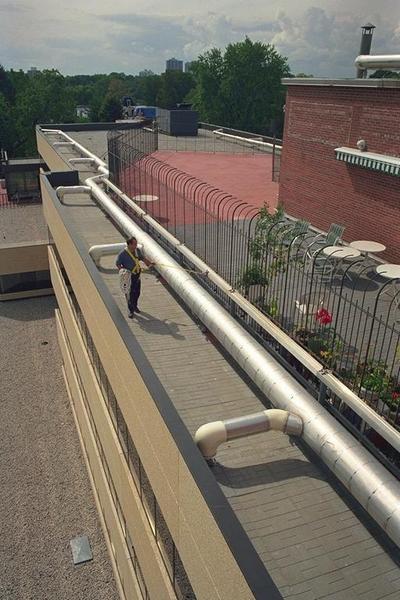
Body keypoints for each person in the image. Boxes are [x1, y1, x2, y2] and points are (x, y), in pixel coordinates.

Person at [116, 237, 145, 318]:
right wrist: (122, 272)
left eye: (136, 244)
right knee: (129, 294)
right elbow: (118, 264)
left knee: (137, 292)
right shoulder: (123, 254)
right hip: (128, 276)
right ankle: (131, 310)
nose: (136, 245)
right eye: (134, 244)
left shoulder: (137, 251)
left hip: (137, 275)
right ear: (129, 244)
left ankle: (135, 306)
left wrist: (150, 263)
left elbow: (142, 258)